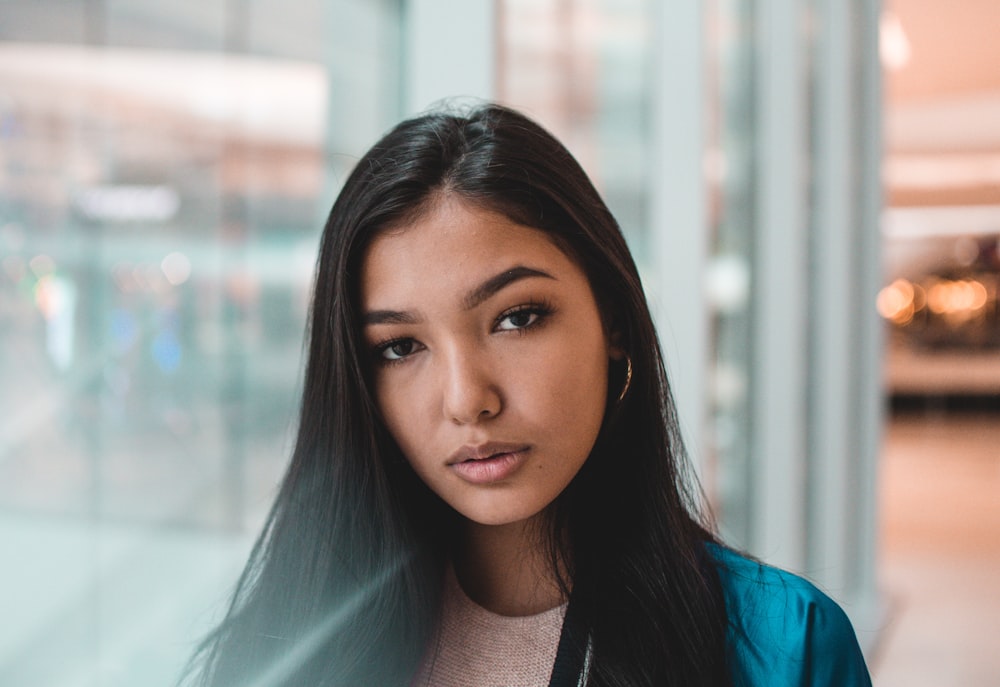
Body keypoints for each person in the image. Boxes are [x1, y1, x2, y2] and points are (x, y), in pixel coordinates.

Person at [185, 103, 872, 687]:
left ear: (614, 322)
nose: (466, 399)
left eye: (517, 317)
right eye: (400, 347)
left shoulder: (781, 649)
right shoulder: (285, 645)